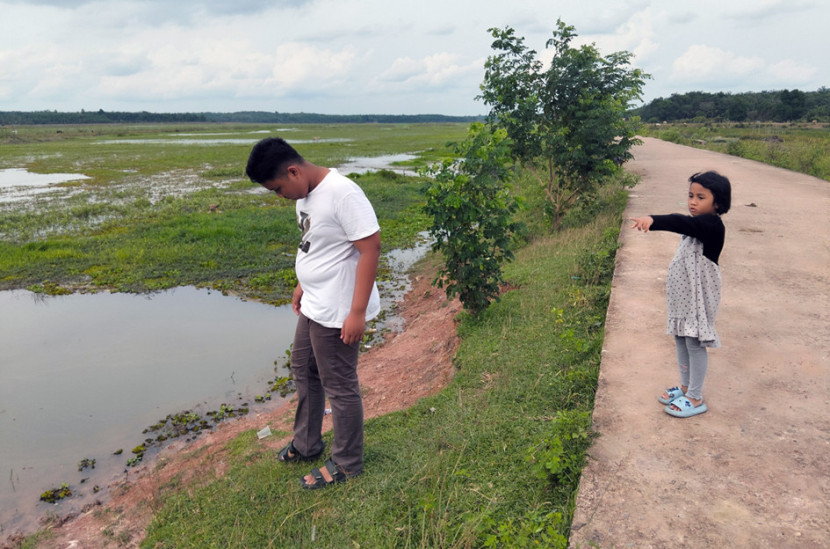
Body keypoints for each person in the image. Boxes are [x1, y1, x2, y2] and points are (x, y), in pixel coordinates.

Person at [245, 137, 381, 488]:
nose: (280, 196)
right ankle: (307, 444)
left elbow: (370, 249)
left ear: (293, 170)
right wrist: (302, 284)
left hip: (337, 308)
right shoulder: (304, 194)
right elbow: (315, 243)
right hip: (314, 300)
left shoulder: (343, 193)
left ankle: (348, 462)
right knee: (304, 369)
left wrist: (357, 313)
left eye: (278, 189)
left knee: (339, 384)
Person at [629, 171, 731, 418]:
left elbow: (680, 221)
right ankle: (685, 387)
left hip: (698, 299)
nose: (693, 202)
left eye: (701, 197)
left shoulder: (711, 225)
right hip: (682, 299)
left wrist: (653, 219)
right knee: (680, 339)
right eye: (690, 196)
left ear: (716, 203)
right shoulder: (698, 225)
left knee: (694, 344)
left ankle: (695, 397)